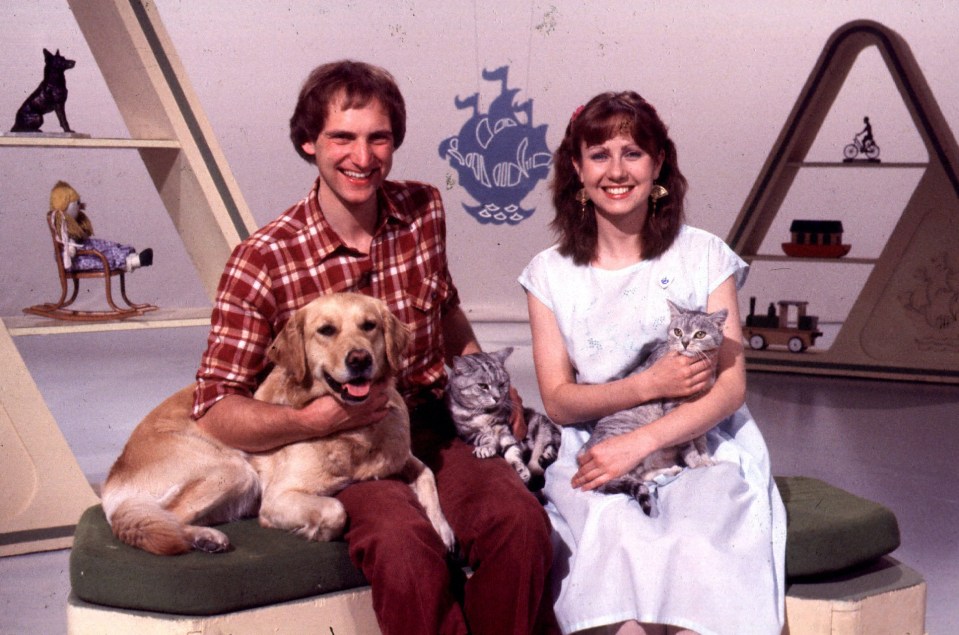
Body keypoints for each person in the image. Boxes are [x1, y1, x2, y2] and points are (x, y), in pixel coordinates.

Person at [191, 59, 557, 635]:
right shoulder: (261, 260)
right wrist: (314, 420)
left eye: (377, 138)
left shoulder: (423, 210)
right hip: (344, 448)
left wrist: (486, 380)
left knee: (519, 523)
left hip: (435, 423)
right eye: (342, 137)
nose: (362, 158)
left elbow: (446, 311)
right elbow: (214, 411)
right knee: (406, 550)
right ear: (309, 143)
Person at [518, 92, 786, 635]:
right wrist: (648, 386)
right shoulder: (548, 273)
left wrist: (643, 440)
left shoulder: (704, 254)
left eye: (632, 153)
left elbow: (730, 389)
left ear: (658, 162)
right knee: (615, 546)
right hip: (594, 446)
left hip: (698, 442)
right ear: (576, 168)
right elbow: (559, 400)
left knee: (698, 551)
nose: (616, 171)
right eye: (599, 154)